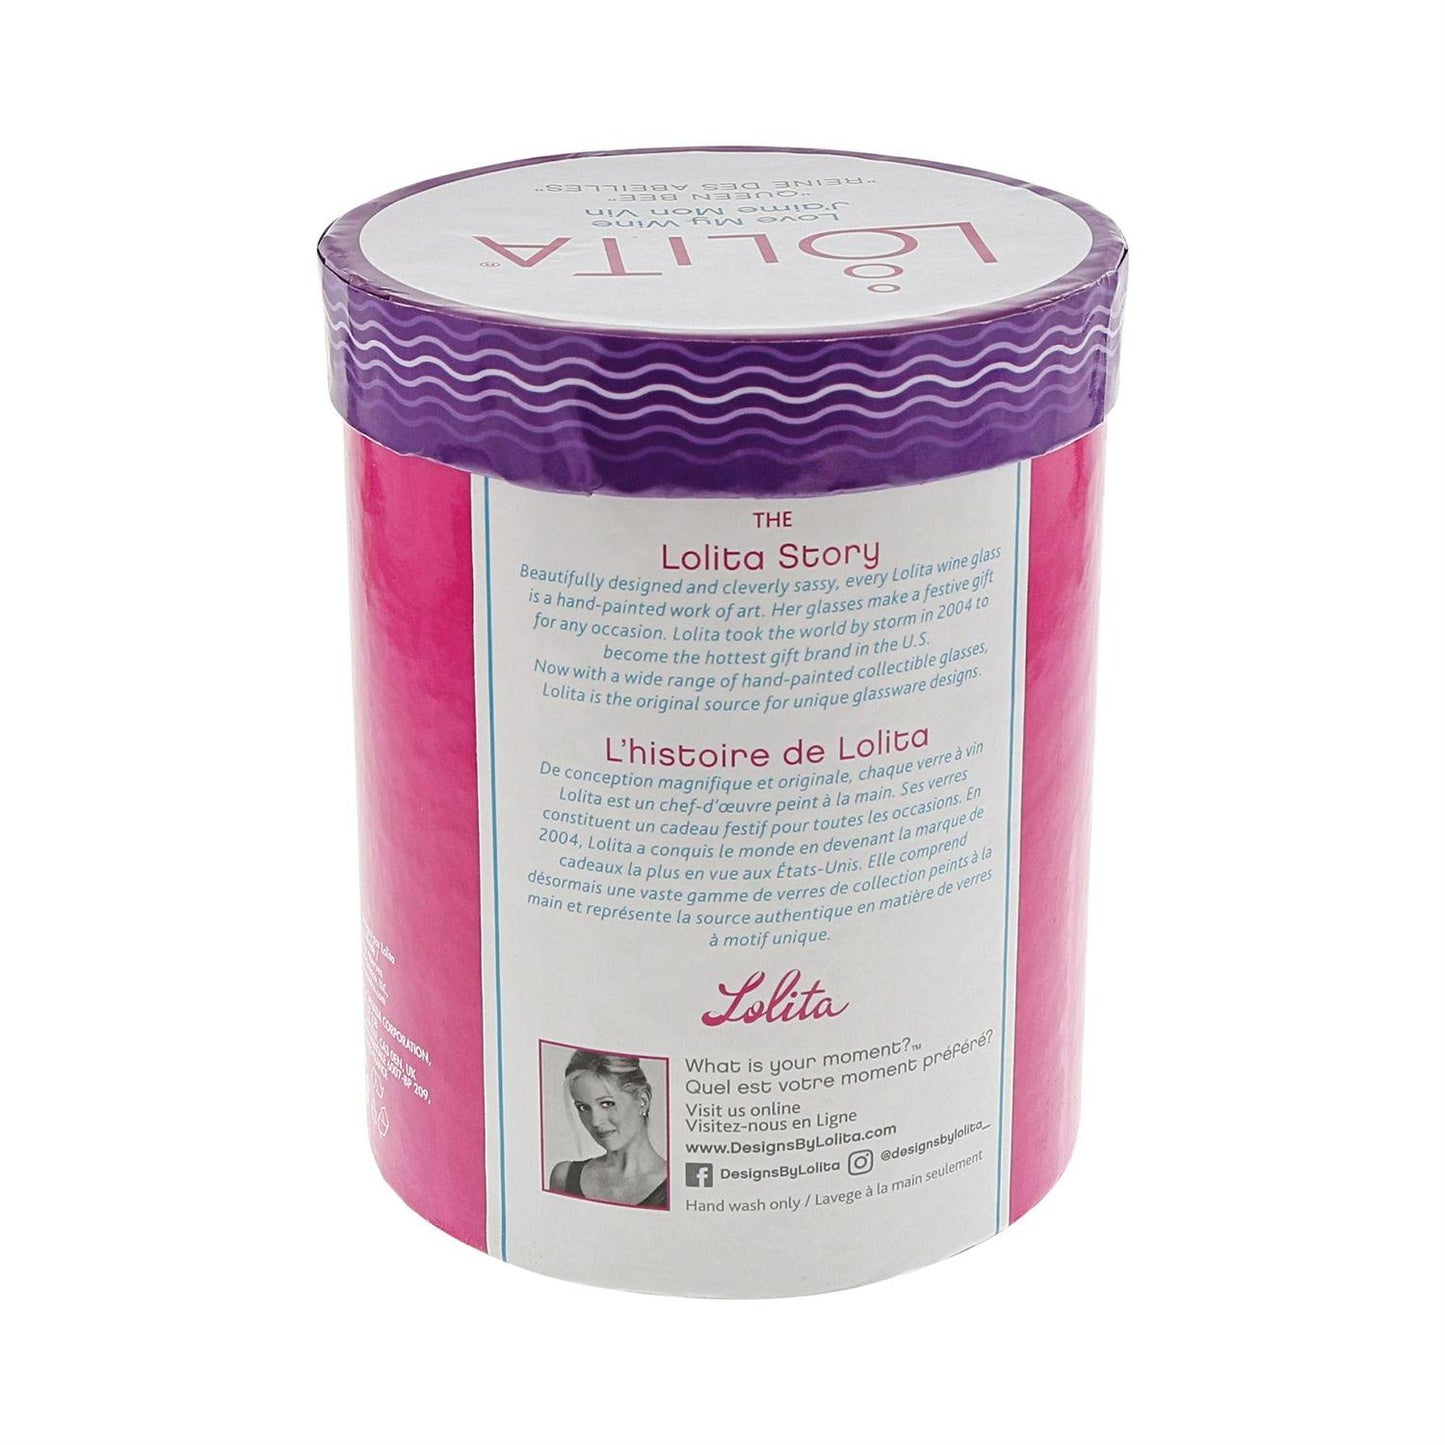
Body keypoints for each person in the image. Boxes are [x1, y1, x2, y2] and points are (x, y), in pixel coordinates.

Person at [548, 1051, 667, 1208]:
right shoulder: (564, 1177)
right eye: (583, 1107)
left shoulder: (675, 1184)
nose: (595, 1121)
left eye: (607, 1104)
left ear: (643, 1101)